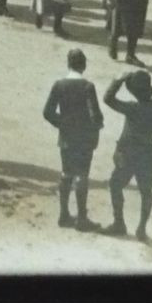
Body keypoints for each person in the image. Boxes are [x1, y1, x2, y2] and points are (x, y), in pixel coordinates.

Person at [101, 70, 152, 241]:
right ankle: (141, 229)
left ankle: (119, 223)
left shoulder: (132, 108)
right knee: (146, 192)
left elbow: (108, 99)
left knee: (116, 185)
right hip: (147, 154)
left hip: (128, 154)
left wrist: (118, 79)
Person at [42, 48, 102, 231]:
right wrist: (95, 130)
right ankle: (82, 218)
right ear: (83, 65)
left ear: (68, 64)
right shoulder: (88, 87)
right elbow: (96, 117)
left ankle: (63, 214)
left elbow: (47, 112)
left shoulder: (59, 85)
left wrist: (63, 123)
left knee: (66, 173)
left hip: (66, 137)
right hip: (84, 137)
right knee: (82, 175)